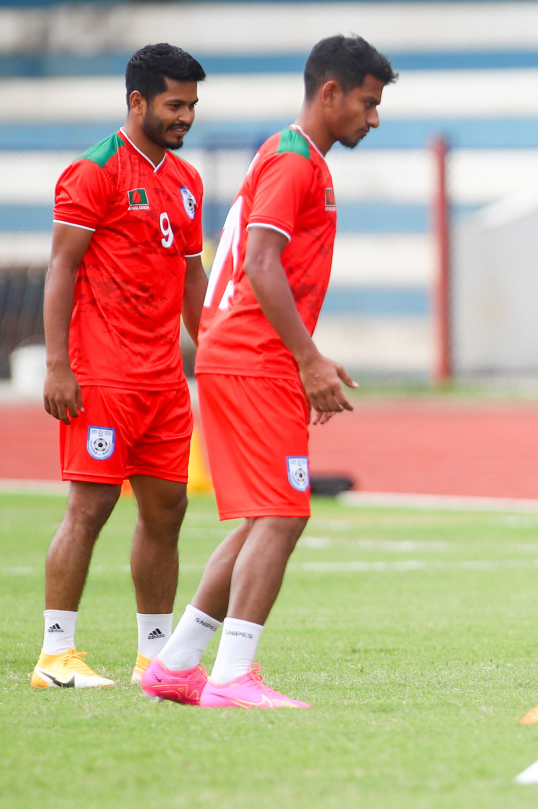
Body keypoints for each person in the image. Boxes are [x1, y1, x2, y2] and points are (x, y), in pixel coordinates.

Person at [141, 35, 396, 709]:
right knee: (283, 514)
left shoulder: (299, 158)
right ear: (330, 92)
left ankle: (178, 662)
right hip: (251, 357)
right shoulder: (293, 162)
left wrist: (307, 353)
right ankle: (232, 676)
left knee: (263, 518)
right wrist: (305, 357)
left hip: (248, 353)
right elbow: (259, 263)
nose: (374, 118)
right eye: (368, 103)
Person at [33, 43, 208, 691]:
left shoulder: (187, 182)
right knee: (92, 506)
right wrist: (58, 364)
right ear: (137, 102)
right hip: (102, 375)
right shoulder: (94, 172)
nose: (186, 116)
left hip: (163, 380)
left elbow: (193, 281)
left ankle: (154, 657)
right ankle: (56, 656)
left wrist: (210, 354)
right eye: (174, 104)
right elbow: (62, 269)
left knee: (167, 510)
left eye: (192, 104)